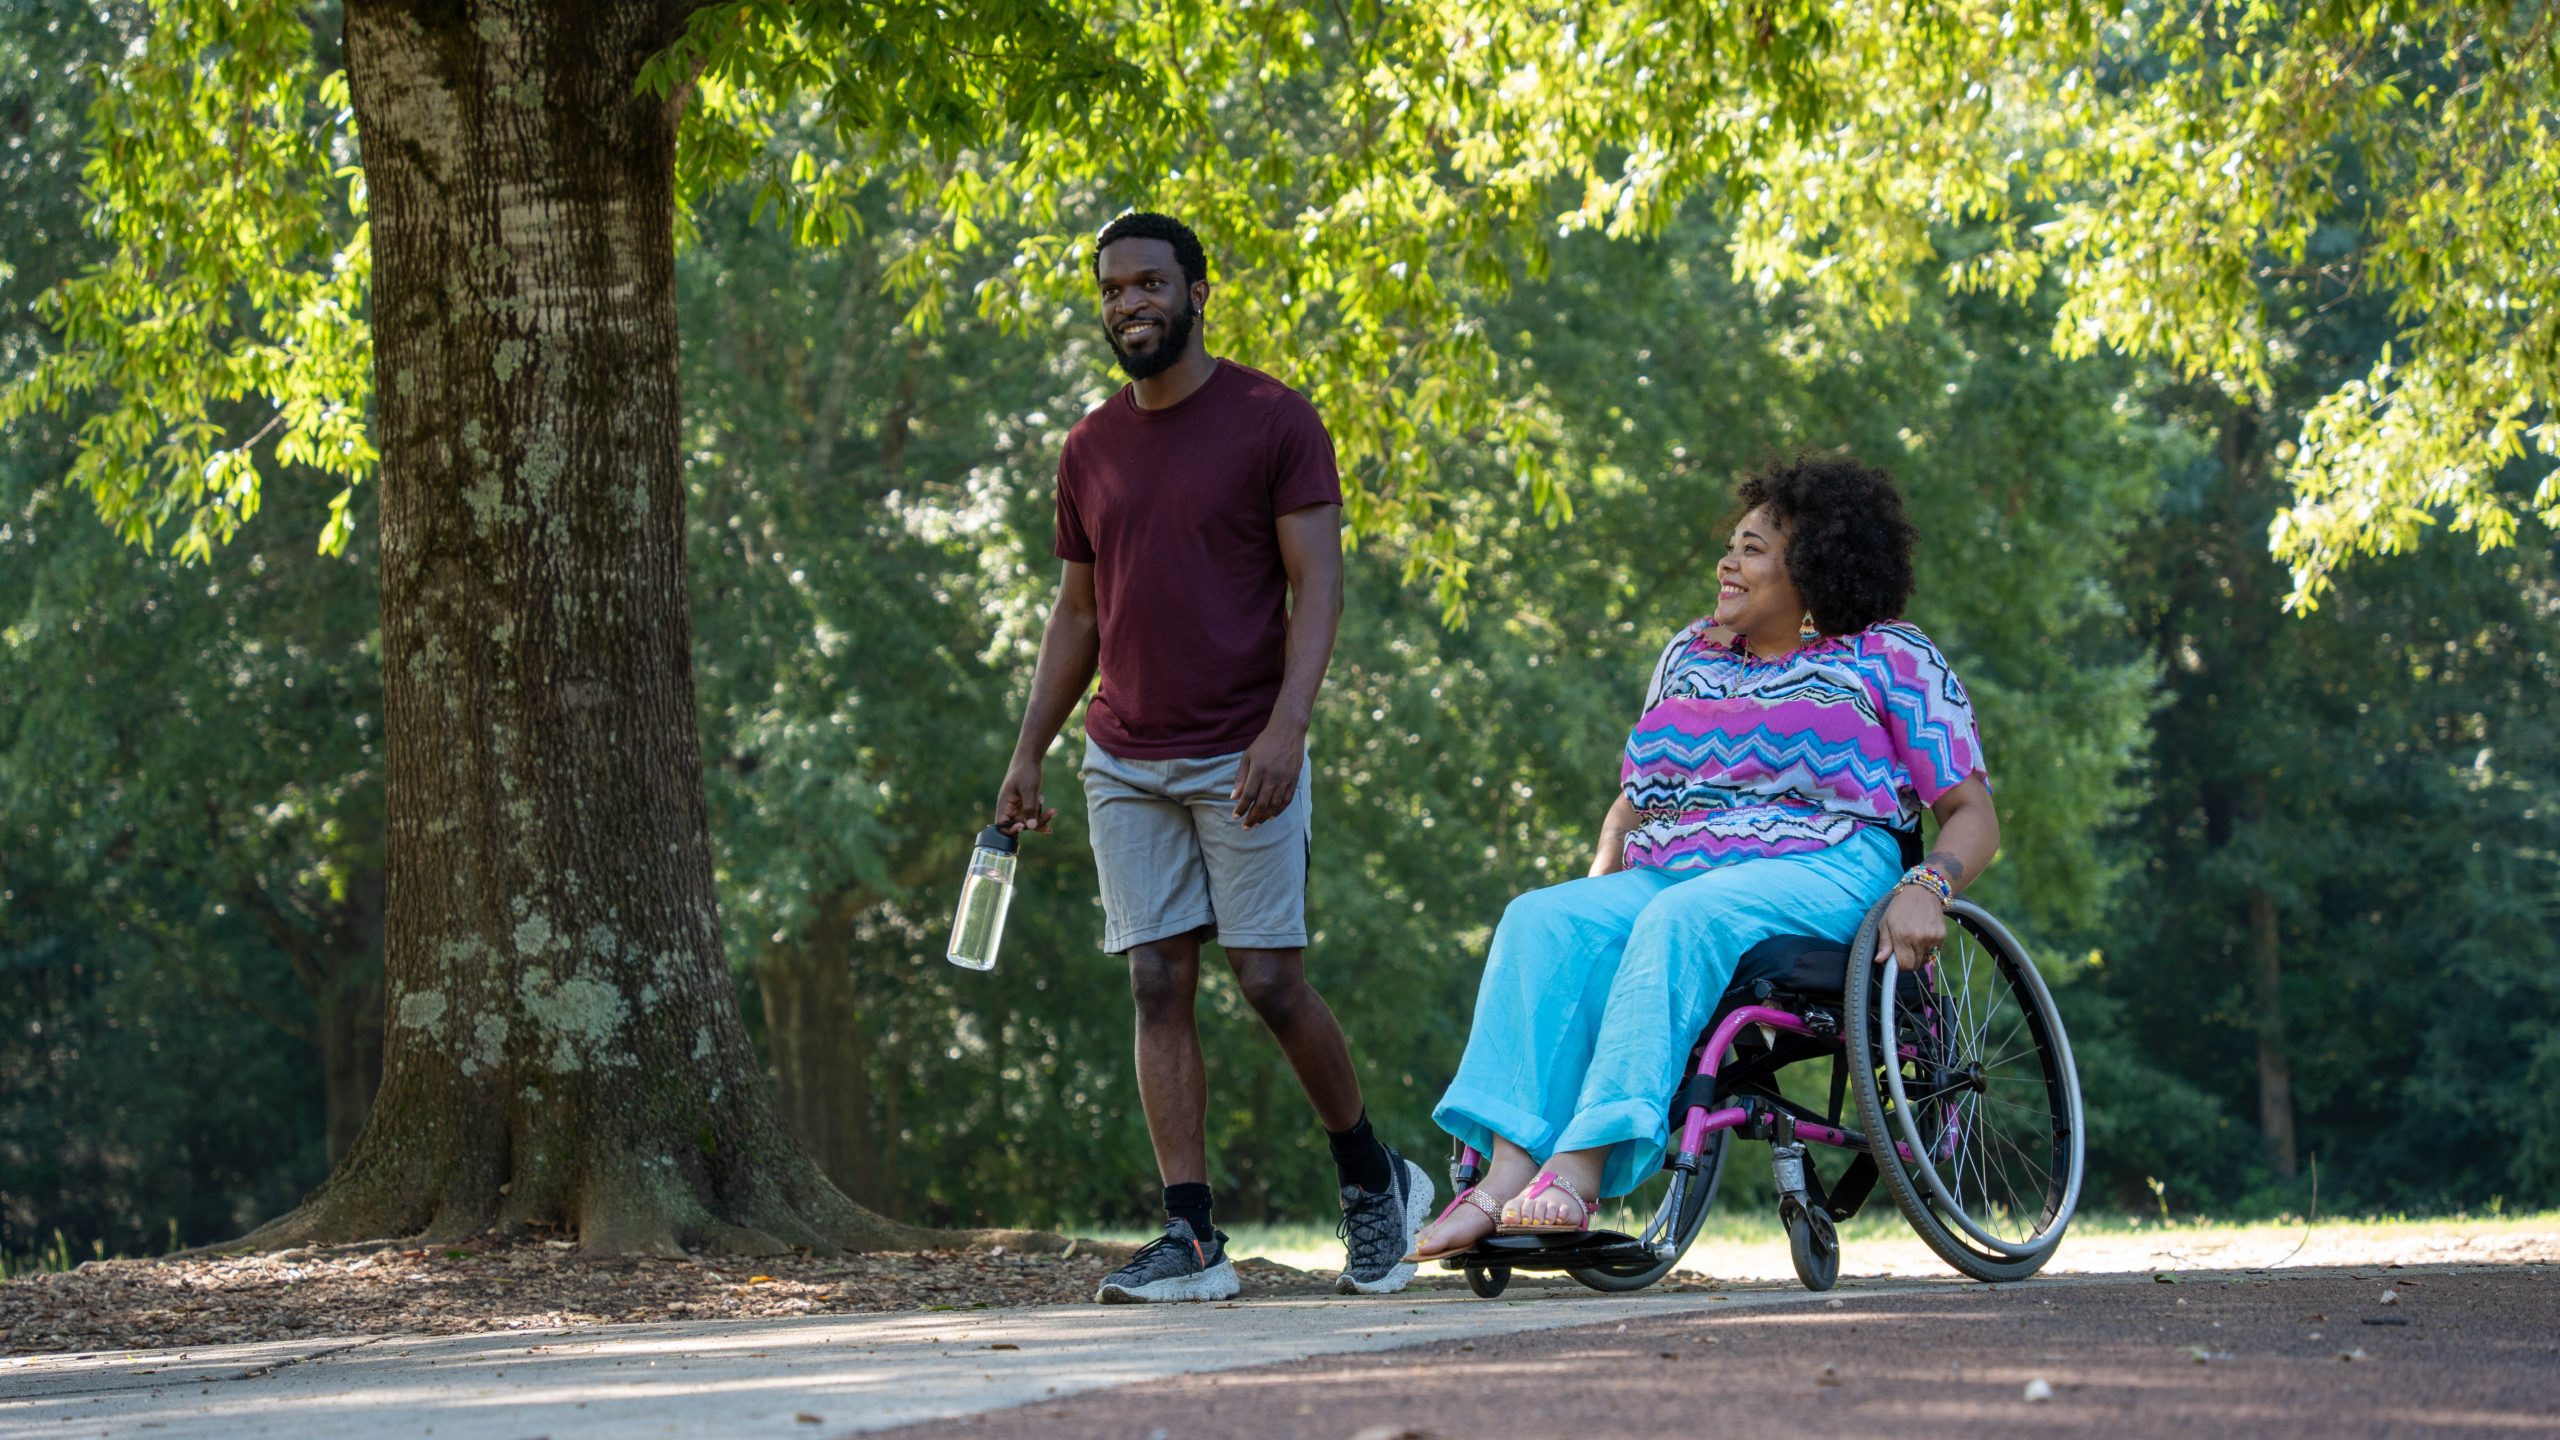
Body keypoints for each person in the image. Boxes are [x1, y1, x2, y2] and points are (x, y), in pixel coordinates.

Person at [1406, 451, 1998, 1257]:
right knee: (1542, 920)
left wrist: (1929, 882)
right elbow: (1641, 791)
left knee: (1686, 914)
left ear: (1813, 567)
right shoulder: (1691, 654)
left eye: (1753, 549)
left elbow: (1972, 815)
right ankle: (1507, 1171)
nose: (1728, 561)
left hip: (1832, 868)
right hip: (1680, 867)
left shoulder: (1889, 658)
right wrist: (1609, 850)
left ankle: (1580, 1168)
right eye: (1733, 544)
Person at [996, 211, 1433, 1302]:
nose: (1127, 303)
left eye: (1148, 283)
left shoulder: (1272, 419)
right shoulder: (1089, 447)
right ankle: (1191, 1238)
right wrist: (1027, 751)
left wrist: (1288, 723)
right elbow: (1077, 613)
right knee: (1155, 977)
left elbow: (1317, 584)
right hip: (1125, 753)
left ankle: (1374, 1182)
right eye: (1110, 290)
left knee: (1270, 980)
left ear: (1196, 292)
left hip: (1244, 748)